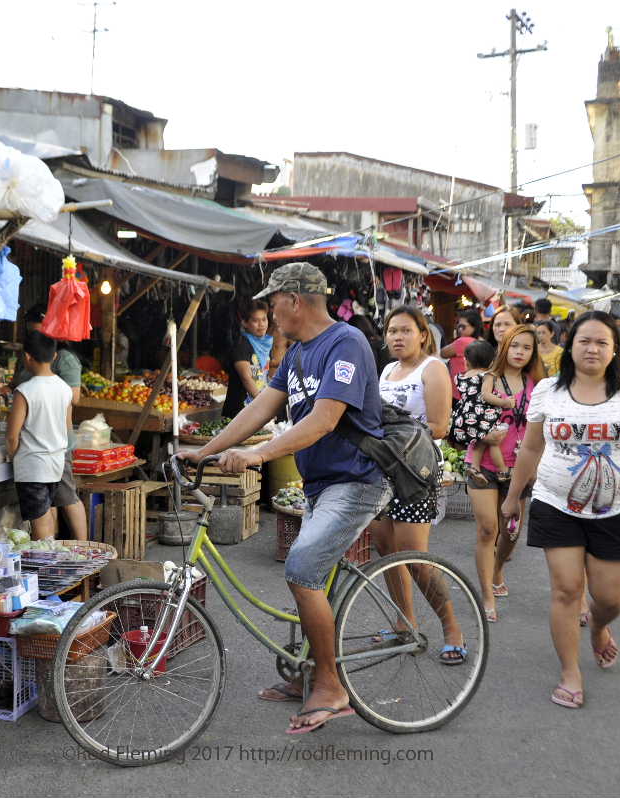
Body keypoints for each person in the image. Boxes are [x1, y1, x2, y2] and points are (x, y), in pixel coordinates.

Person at [181, 262, 393, 734]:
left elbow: (322, 422)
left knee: (301, 568)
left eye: (273, 303)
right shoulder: (297, 353)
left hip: (355, 480)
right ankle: (308, 674)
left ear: (294, 300)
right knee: (312, 576)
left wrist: (255, 458)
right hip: (320, 482)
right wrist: (207, 450)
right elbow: (260, 408)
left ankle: (331, 687)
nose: (269, 313)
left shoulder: (347, 343)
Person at [501, 312, 620, 709]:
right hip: (555, 505)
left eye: (601, 343)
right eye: (584, 341)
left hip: (614, 512)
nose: (592, 348)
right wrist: (512, 495)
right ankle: (570, 672)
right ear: (570, 346)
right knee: (566, 591)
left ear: (613, 350)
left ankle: (600, 628)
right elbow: (533, 448)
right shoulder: (546, 392)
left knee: (610, 599)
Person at [367, 307, 465, 664]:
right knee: (388, 553)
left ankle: (451, 627)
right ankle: (403, 622)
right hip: (383, 470)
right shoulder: (387, 370)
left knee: (415, 558)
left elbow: (440, 426)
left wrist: (396, 430)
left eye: (406, 330)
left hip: (416, 472)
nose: (397, 337)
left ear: (423, 334)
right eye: (392, 331)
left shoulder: (434, 369)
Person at [468, 324, 546, 623]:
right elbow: (464, 416)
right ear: (504, 347)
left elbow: (542, 431)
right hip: (483, 463)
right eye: (515, 346)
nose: (519, 352)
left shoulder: (537, 384)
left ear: (532, 353)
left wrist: (537, 466)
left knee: (511, 531)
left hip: (519, 467)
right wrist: (483, 435)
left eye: (526, 348)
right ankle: (487, 594)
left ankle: (498, 566)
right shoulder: (488, 379)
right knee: (488, 530)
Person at [9, 304, 87, 541]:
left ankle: (45, 566)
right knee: (48, 511)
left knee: (40, 519)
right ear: (53, 356)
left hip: (32, 466)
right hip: (54, 461)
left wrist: (13, 456)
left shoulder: (24, 391)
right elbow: (65, 426)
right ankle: (54, 558)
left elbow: (12, 435)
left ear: (27, 357)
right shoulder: (63, 390)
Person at [450, 340, 506, 485]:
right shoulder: (487, 375)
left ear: (466, 360)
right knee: (492, 443)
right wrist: (505, 403)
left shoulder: (461, 376)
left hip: (464, 416)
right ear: (491, 361)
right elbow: (486, 395)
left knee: (478, 442)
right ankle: (502, 471)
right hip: (481, 415)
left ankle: (474, 468)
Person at [222, 300, 272, 416]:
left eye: (264, 319)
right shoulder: (242, 344)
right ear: (244, 323)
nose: (261, 324)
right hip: (239, 412)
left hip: (257, 408)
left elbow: (267, 375)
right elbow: (246, 378)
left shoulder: (265, 344)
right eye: (255, 320)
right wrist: (264, 405)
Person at [441, 309, 483, 400]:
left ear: (474, 327)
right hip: (474, 392)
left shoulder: (463, 341)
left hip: (458, 393)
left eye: (463, 327)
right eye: (458, 326)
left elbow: (443, 353)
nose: (459, 329)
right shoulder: (481, 341)